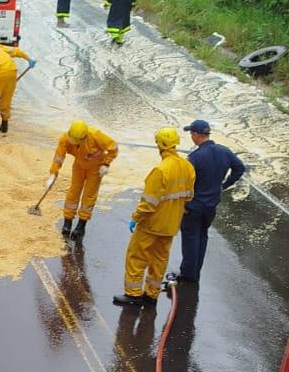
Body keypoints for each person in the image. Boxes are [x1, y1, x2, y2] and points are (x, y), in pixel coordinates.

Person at [113, 127, 195, 308]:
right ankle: (151, 295)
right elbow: (189, 196)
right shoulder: (187, 167)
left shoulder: (160, 170)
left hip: (152, 224)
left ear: (159, 145)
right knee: (159, 260)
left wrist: (136, 217)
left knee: (136, 258)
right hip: (171, 226)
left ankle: (133, 294)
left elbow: (149, 202)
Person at [178, 120, 246, 283]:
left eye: (191, 133)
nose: (191, 136)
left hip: (194, 205)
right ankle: (195, 271)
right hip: (212, 204)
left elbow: (185, 183)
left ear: (196, 135)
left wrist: (182, 205)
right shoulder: (225, 151)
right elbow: (240, 168)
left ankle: (188, 273)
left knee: (190, 236)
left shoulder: (194, 157)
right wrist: (224, 185)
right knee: (202, 235)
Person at [47, 119, 118, 240]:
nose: (74, 144)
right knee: (73, 192)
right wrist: (53, 173)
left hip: (96, 169)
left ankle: (81, 225)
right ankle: (67, 222)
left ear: (84, 137)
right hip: (79, 166)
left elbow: (113, 147)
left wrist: (106, 164)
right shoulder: (65, 138)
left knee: (89, 195)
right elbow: (59, 156)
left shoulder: (96, 135)